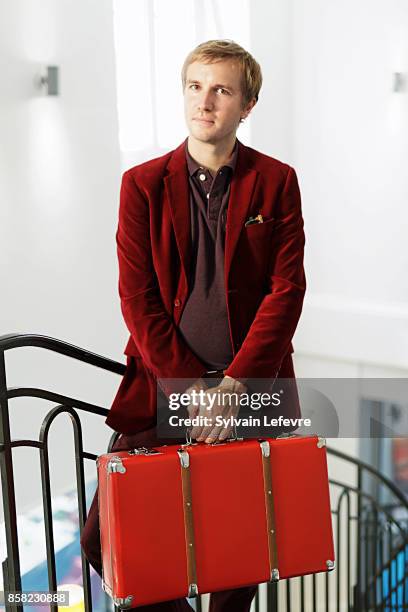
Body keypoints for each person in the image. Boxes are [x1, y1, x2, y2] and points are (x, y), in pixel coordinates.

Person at [81, 39, 306, 612]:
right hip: (163, 390)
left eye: (222, 90)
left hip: (251, 394)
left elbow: (286, 291)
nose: (204, 101)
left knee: (239, 552)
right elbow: (138, 297)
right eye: (195, 86)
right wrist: (192, 394)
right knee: (106, 537)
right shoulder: (142, 184)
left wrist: (231, 391)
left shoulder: (277, 181)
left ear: (246, 106)